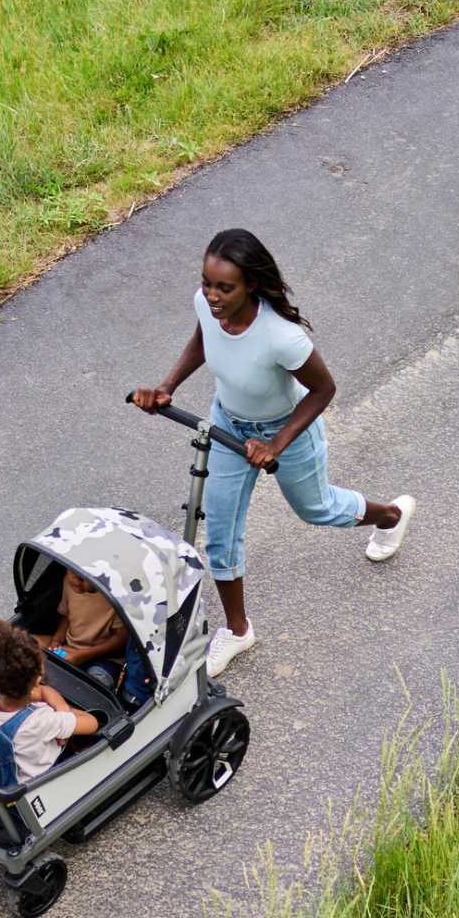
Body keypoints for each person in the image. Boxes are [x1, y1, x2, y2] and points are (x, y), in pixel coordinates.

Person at [132, 228, 415, 677]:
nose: (212, 295)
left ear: (252, 286)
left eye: (225, 287)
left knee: (317, 509)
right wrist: (167, 386)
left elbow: (324, 390)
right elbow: (205, 339)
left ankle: (390, 517)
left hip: (287, 430)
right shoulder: (206, 306)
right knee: (220, 534)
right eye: (207, 283)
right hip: (226, 422)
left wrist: (274, 443)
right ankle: (239, 630)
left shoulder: (281, 336)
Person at [0, 618, 101, 785]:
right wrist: (63, 714)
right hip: (35, 780)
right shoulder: (41, 720)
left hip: (2, 766)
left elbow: (43, 692)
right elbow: (92, 723)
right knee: (91, 744)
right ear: (37, 679)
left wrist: (61, 709)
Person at [34, 569, 129, 690]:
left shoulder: (113, 599)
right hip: (71, 646)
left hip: (107, 658)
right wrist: (57, 638)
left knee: (92, 687)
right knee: (25, 640)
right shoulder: (69, 584)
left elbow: (122, 638)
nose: (77, 580)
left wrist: (82, 655)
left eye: (85, 577)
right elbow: (67, 614)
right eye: (73, 572)